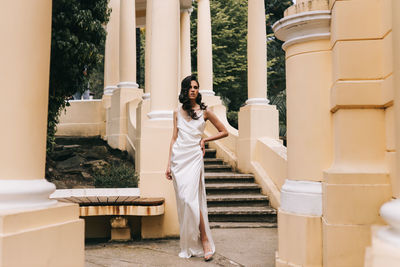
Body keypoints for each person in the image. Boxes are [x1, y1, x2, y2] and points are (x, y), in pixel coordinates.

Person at [165, 75, 228, 261]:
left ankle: (205, 240)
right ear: (185, 90)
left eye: (196, 87)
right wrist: (168, 164)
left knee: (191, 199)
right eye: (190, 87)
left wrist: (204, 140)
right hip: (178, 159)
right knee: (184, 199)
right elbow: (174, 138)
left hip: (193, 157)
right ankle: (193, 240)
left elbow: (224, 131)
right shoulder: (176, 112)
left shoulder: (205, 111)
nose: (193, 90)